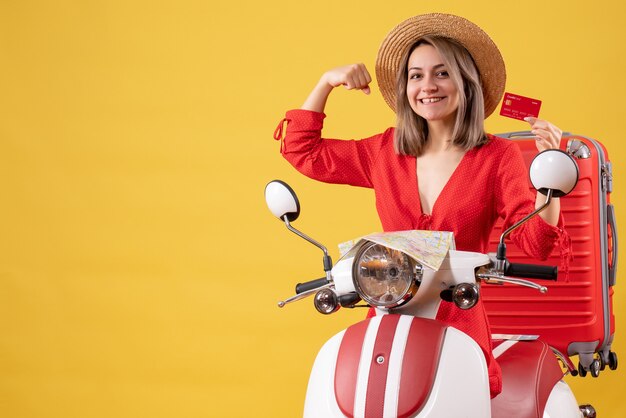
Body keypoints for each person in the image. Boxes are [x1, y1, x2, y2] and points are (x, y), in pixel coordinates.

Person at [273, 13, 570, 398]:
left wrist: (549, 180)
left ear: (467, 81)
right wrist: (326, 82)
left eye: (442, 73)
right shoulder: (385, 150)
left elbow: (538, 243)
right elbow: (302, 150)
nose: (427, 86)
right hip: (387, 316)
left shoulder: (498, 156)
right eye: (416, 75)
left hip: (458, 320)